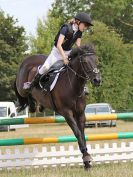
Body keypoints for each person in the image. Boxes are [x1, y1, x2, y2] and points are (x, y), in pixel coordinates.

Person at [23, 12, 93, 90]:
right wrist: (64, 58)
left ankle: (82, 87)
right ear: (78, 22)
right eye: (85, 25)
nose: (86, 27)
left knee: (79, 64)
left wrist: (84, 53)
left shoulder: (79, 32)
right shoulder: (66, 28)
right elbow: (59, 45)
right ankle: (31, 85)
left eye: (87, 26)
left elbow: (78, 45)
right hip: (57, 52)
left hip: (68, 52)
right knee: (45, 67)